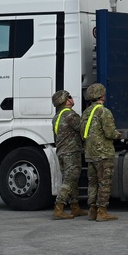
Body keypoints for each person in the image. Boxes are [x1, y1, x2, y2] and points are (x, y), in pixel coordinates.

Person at [82, 82, 121, 221]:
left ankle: (92, 211)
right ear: (102, 96)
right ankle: (102, 212)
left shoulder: (86, 112)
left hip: (90, 154)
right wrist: (119, 135)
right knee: (104, 183)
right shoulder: (104, 112)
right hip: (103, 154)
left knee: (92, 184)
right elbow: (110, 133)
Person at [50, 90, 85, 220]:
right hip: (71, 152)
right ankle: (59, 207)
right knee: (70, 180)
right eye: (69, 96)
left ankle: (75, 207)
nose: (71, 98)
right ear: (65, 101)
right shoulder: (70, 115)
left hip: (62, 152)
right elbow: (83, 128)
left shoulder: (57, 117)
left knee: (72, 179)